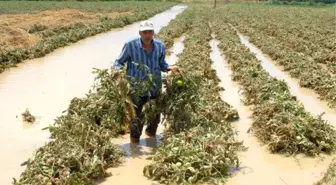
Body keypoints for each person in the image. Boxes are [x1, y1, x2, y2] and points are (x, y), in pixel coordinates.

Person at [112, 20, 178, 143]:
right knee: (137, 120)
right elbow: (119, 62)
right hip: (136, 89)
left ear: (153, 32)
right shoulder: (130, 45)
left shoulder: (160, 46)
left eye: (150, 32)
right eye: (145, 32)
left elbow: (162, 64)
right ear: (140, 33)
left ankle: (150, 137)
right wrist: (116, 72)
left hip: (155, 88)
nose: (147, 35)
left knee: (155, 118)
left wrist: (170, 68)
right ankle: (135, 142)